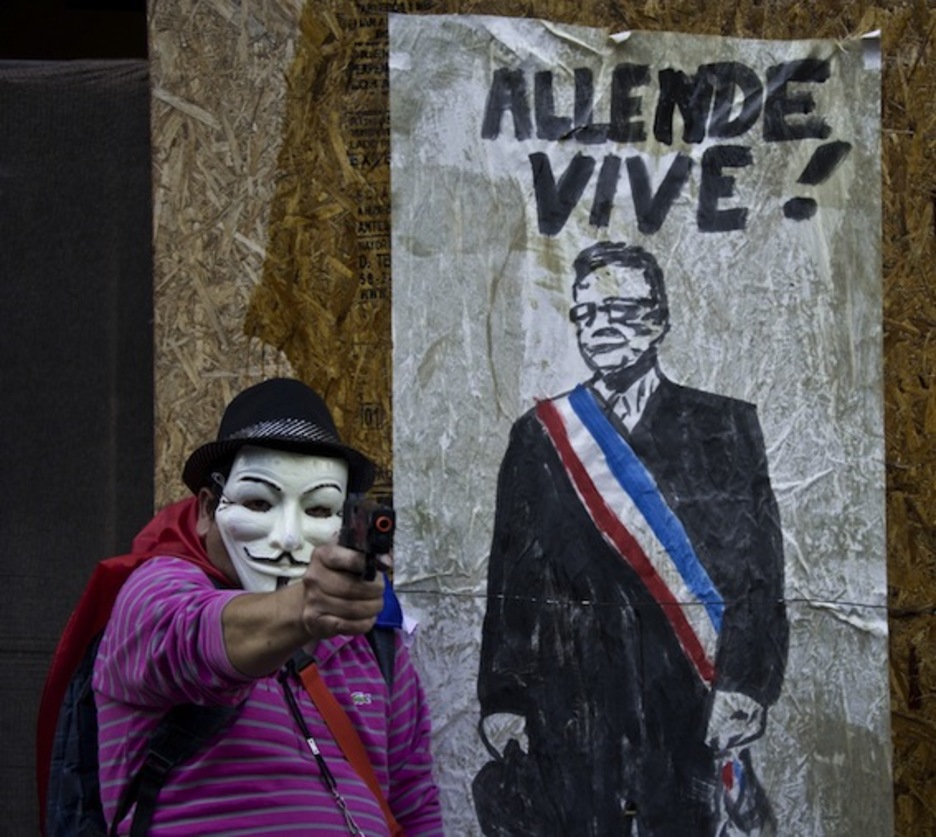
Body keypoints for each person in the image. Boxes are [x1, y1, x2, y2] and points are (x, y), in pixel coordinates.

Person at [473, 242, 788, 836]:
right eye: (586, 314)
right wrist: (504, 697)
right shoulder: (540, 436)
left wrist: (745, 686)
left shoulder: (725, 426)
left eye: (620, 310)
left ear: (659, 320)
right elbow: (511, 580)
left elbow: (758, 573)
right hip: (571, 704)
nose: (601, 327)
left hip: (689, 700)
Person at [89, 378, 443, 835]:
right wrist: (302, 611)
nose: (288, 539)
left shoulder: (375, 645)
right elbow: (196, 636)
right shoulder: (154, 595)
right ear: (205, 510)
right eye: (258, 502)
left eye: (317, 511)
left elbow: (413, 804)